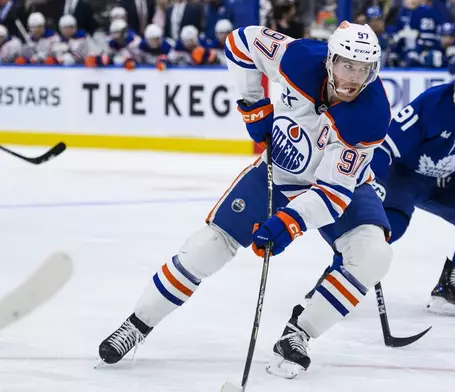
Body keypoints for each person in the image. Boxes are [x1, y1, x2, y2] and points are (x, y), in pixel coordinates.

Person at [98, 21, 392, 380]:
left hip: (340, 188)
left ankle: (298, 334)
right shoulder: (299, 57)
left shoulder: (370, 115)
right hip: (278, 173)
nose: (353, 78)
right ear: (330, 60)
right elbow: (240, 42)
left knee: (373, 256)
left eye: (363, 69)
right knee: (209, 245)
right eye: (347, 65)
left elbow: (330, 195)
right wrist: (253, 104)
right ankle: (137, 324)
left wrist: (288, 223)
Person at [307, 55, 455, 317]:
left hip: (447, 182)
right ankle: (337, 278)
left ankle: (451, 285)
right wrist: (372, 183)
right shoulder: (431, 104)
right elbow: (384, 148)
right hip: (403, 177)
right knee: (385, 229)